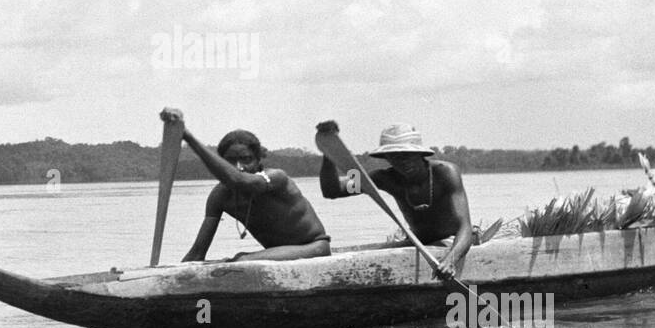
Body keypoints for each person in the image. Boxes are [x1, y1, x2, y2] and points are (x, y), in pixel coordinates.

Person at [160, 108, 331, 262]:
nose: (239, 167)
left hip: (316, 248)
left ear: (258, 160)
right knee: (235, 261)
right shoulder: (220, 196)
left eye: (246, 159)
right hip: (280, 253)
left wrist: (187, 136)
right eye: (230, 161)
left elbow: (240, 181)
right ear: (222, 163)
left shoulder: (276, 178)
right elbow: (197, 253)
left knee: (242, 261)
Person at [318, 120, 473, 280]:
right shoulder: (383, 178)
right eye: (395, 157)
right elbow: (333, 190)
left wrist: (451, 260)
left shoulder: (446, 172)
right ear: (387, 158)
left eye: (408, 156)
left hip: (454, 242)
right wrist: (329, 154)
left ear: (420, 154)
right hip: (418, 242)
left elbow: (465, 227)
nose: (403, 162)